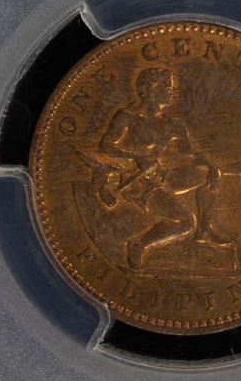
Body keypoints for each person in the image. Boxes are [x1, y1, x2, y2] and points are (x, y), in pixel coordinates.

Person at [95, 67, 230, 268]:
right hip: (136, 181)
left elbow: (189, 153)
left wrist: (211, 166)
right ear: (148, 90)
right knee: (185, 222)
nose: (172, 91)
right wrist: (137, 158)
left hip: (160, 176)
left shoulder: (172, 124)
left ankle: (204, 231)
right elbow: (106, 146)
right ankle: (140, 244)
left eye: (172, 87)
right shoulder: (128, 117)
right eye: (166, 87)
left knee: (207, 175)